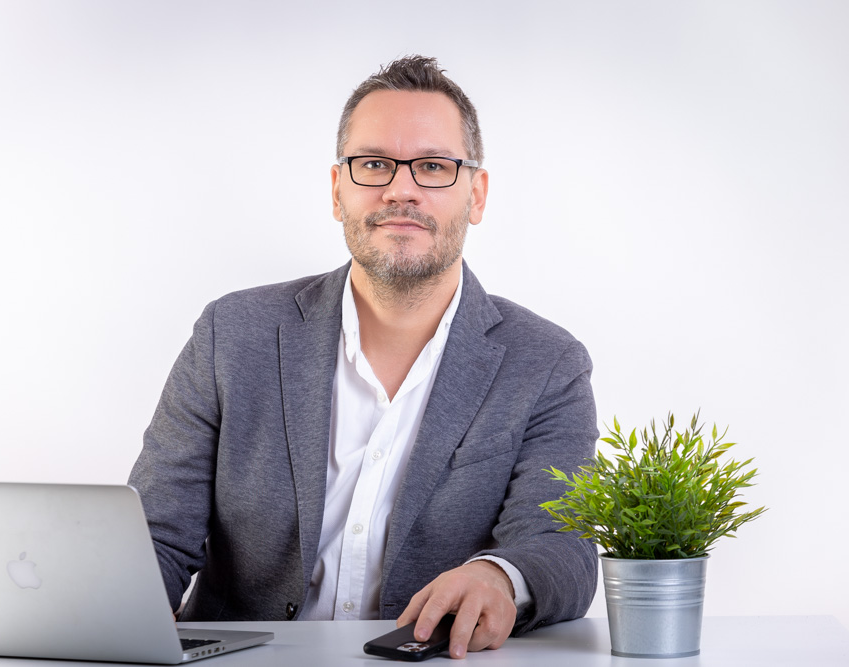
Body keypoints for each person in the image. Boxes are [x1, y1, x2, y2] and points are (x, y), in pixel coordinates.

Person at [128, 55, 599, 660]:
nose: (400, 190)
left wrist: (498, 576)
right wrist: (117, 610)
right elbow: (155, 535)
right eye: (374, 164)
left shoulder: (548, 364)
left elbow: (561, 546)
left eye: (434, 167)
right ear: (337, 189)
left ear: (476, 195)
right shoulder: (232, 334)